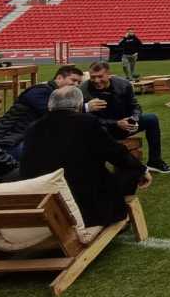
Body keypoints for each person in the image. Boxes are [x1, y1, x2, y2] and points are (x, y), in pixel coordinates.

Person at [21, 86, 151, 227]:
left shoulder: (32, 128)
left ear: (49, 106)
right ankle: (116, 213)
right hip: (86, 207)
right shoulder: (87, 122)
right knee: (130, 167)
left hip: (46, 201)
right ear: (79, 105)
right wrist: (142, 170)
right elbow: (117, 154)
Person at [81, 62, 170, 174]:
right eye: (93, 77)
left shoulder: (124, 84)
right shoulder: (83, 90)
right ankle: (99, 171)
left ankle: (155, 161)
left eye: (100, 76)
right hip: (102, 130)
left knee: (151, 119)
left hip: (124, 125)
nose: (96, 80)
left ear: (109, 74)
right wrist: (116, 123)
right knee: (96, 130)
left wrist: (134, 119)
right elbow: (88, 119)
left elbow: (135, 106)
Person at [0, 65, 84, 158]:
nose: (76, 85)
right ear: (59, 78)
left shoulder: (53, 93)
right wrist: (86, 107)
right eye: (73, 80)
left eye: (79, 82)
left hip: (23, 139)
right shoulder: (40, 91)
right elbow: (56, 115)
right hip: (10, 141)